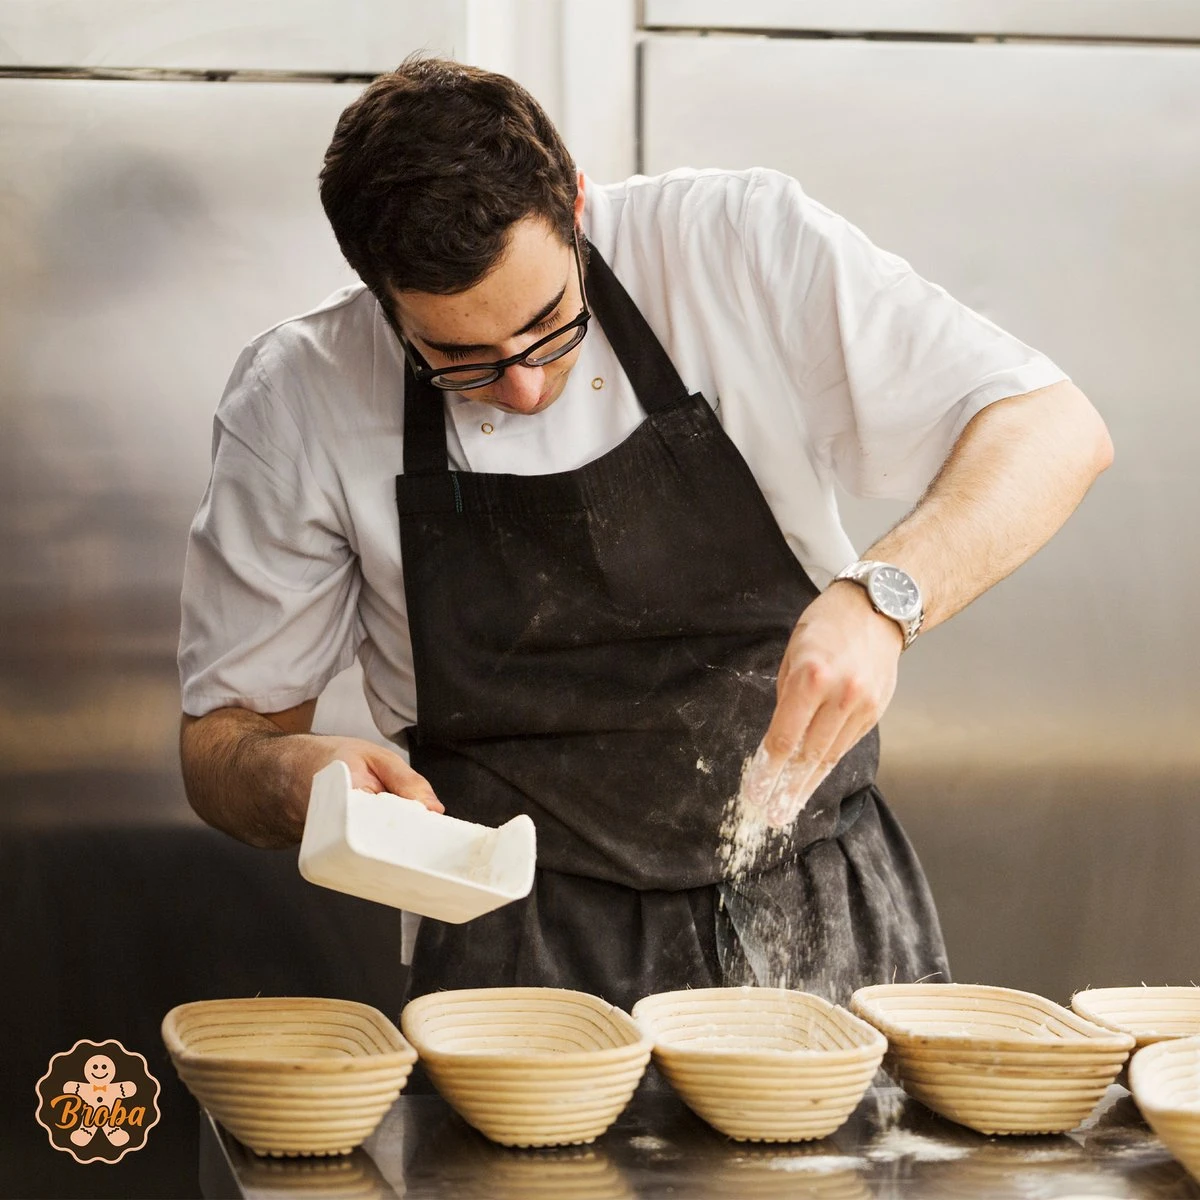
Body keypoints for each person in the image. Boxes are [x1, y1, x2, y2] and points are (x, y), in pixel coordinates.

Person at [178, 57, 1112, 1010]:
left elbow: (1054, 427)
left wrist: (883, 597)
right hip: (517, 954)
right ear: (379, 299)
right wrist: (290, 777)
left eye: (550, 323)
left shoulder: (736, 248)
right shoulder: (296, 398)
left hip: (813, 905)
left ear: (578, 206)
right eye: (460, 359)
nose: (523, 386)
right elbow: (221, 745)